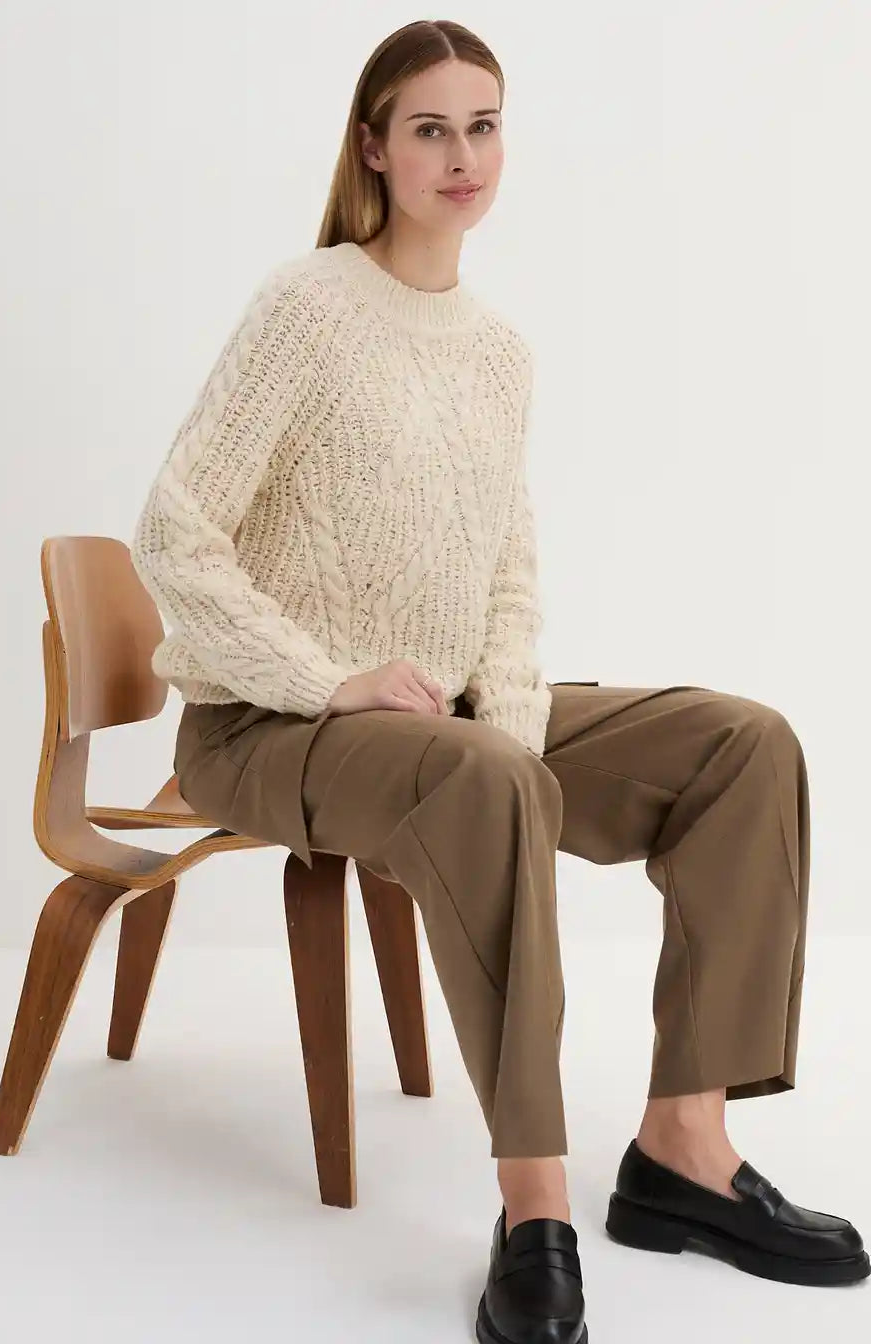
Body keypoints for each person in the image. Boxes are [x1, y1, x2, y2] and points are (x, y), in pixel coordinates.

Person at [129, 18, 868, 1344]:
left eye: (483, 127)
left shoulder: (498, 351)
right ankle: (535, 1212)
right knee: (477, 775)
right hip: (270, 726)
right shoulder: (306, 307)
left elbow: (508, 578)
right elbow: (174, 535)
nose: (463, 156)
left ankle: (684, 1150)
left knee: (742, 743)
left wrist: (517, 729)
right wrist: (331, 680)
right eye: (431, 129)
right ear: (376, 148)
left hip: (454, 724)